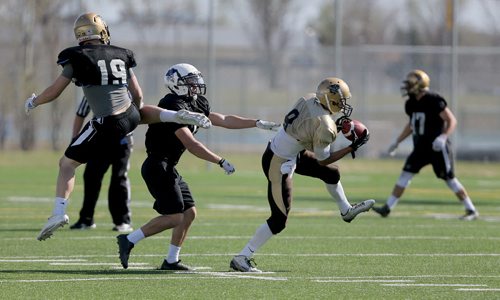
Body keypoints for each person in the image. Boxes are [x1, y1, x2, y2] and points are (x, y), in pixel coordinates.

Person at [25, 12, 211, 241]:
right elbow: (138, 94)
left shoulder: (75, 57)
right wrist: (132, 117)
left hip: (105, 122)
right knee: (139, 113)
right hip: (129, 115)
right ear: (102, 31)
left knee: (66, 164)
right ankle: (175, 115)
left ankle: (58, 213)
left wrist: (34, 101)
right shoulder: (122, 54)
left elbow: (54, 92)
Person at [116, 63, 281, 270]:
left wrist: (256, 123)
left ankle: (171, 260)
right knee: (175, 217)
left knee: (189, 213)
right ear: (177, 84)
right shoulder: (171, 104)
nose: (196, 85)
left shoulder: (196, 102)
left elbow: (224, 119)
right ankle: (129, 240)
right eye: (191, 82)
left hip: (169, 167)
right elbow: (191, 144)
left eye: (196, 81)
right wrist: (219, 160)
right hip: (157, 166)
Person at [229, 77, 374, 273]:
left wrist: (336, 127)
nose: (343, 104)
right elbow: (323, 158)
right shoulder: (325, 126)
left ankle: (346, 210)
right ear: (328, 99)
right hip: (278, 162)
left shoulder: (309, 98)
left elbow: (308, 131)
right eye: (340, 100)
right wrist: (352, 147)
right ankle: (242, 257)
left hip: (290, 151)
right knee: (279, 220)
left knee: (331, 173)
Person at [372, 69, 478, 220]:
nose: (407, 87)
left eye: (410, 84)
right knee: (405, 175)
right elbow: (411, 125)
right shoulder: (411, 103)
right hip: (420, 148)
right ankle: (387, 208)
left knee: (449, 179)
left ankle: (471, 210)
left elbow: (451, 120)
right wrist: (397, 142)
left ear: (419, 85)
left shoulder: (433, 99)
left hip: (437, 147)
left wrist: (443, 136)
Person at [69, 96, 134, 232]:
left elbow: (137, 109)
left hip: (123, 139)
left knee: (119, 178)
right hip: (100, 139)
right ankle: (86, 219)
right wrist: (74, 139)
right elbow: (80, 113)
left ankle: (122, 220)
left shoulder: (124, 90)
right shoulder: (92, 90)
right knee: (91, 176)